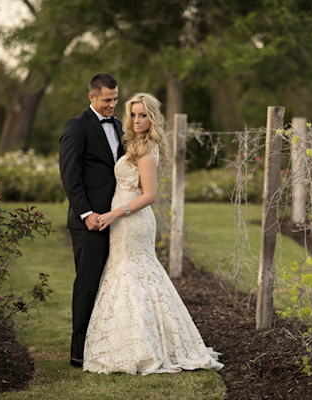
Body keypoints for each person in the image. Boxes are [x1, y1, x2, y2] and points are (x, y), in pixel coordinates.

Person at [82, 93, 224, 375]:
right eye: (133, 114)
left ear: (153, 119)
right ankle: (129, 339)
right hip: (122, 219)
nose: (137, 120)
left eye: (143, 115)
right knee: (128, 274)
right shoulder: (132, 143)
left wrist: (114, 213)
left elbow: (149, 196)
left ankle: (144, 345)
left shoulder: (147, 150)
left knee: (135, 275)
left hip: (133, 220)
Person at [58, 73, 125, 368]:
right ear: (92, 98)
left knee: (112, 284)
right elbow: (70, 176)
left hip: (116, 218)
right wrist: (86, 214)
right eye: (107, 100)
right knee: (87, 284)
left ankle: (106, 344)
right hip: (90, 222)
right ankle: (78, 352)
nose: (112, 105)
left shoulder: (120, 126)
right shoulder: (76, 127)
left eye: (115, 99)